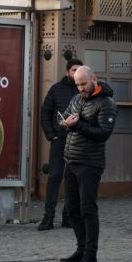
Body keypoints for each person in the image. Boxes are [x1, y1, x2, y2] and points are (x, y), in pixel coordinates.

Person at [59, 66, 117, 262]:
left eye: (84, 84)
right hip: (71, 160)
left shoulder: (106, 103)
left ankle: (91, 256)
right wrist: (65, 122)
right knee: (72, 208)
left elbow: (103, 133)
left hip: (90, 163)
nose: (81, 88)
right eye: (77, 84)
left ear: (94, 79)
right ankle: (81, 250)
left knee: (88, 210)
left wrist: (77, 125)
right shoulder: (76, 99)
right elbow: (64, 118)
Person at [38, 55, 81, 230]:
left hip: (78, 142)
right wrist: (51, 135)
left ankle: (68, 218)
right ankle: (48, 219)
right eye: (74, 70)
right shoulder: (56, 89)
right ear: (67, 72)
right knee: (55, 178)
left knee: (74, 180)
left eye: (79, 70)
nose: (77, 73)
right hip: (59, 141)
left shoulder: (83, 90)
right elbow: (45, 113)